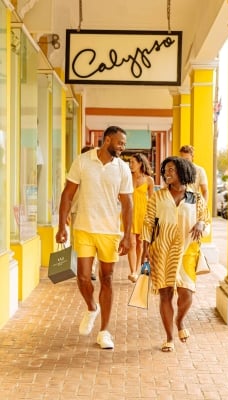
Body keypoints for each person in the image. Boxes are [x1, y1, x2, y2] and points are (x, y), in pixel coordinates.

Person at [55, 126, 133, 350]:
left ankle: (104, 332)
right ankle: (91, 307)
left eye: (124, 144)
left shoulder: (122, 168)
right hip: (84, 228)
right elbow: (67, 195)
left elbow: (128, 204)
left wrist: (127, 236)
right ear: (107, 140)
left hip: (109, 231)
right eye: (120, 142)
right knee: (82, 277)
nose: (122, 147)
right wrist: (62, 226)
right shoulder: (82, 161)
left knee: (107, 279)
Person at [141, 156, 210, 352]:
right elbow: (148, 222)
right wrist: (145, 248)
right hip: (162, 250)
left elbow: (206, 221)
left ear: (183, 171)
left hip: (188, 251)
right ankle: (169, 337)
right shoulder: (158, 196)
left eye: (171, 170)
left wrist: (201, 223)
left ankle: (179, 320)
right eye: (165, 170)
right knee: (166, 294)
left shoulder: (194, 197)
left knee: (186, 294)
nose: (166, 173)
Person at [69, 145, 98, 281]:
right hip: (77, 211)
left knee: (93, 241)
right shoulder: (75, 170)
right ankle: (78, 269)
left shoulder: (97, 173)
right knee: (76, 242)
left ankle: (90, 270)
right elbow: (67, 195)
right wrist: (66, 213)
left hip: (94, 213)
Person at [127, 153, 154, 283]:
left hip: (143, 214)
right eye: (130, 162)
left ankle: (137, 270)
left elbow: (152, 200)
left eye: (133, 162)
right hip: (129, 214)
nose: (130, 164)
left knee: (139, 244)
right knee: (131, 243)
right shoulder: (127, 177)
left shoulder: (149, 180)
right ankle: (133, 271)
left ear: (140, 163)